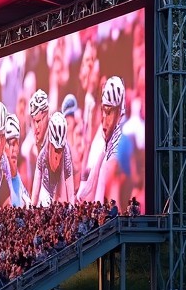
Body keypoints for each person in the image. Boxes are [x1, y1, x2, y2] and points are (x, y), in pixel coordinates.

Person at [78, 75, 125, 204]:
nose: (104, 120)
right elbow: (84, 197)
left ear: (119, 113)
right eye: (102, 111)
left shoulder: (118, 151)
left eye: (109, 112)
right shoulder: (103, 150)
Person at [31, 111, 76, 207]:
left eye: (61, 150)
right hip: (46, 188)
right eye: (56, 149)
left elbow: (71, 195)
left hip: (60, 186)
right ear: (50, 144)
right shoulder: (43, 156)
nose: (58, 156)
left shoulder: (66, 154)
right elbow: (35, 196)